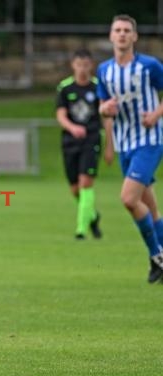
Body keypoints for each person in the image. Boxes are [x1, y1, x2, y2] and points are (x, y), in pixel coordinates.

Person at [97, 14, 163, 283]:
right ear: (111, 36)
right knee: (151, 207)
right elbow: (102, 106)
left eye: (127, 30)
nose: (122, 34)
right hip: (125, 144)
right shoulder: (104, 70)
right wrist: (105, 109)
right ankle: (160, 258)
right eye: (118, 30)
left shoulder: (149, 66)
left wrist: (157, 114)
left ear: (134, 36)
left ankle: (156, 255)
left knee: (128, 199)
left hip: (149, 141)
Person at [55, 48, 103, 240]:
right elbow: (60, 115)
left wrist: (109, 145)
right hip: (70, 142)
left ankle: (81, 230)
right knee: (75, 189)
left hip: (91, 140)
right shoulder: (65, 88)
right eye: (79, 64)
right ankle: (92, 215)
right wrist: (72, 127)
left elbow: (106, 117)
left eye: (86, 65)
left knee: (85, 184)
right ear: (73, 65)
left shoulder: (98, 87)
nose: (82, 69)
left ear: (91, 65)